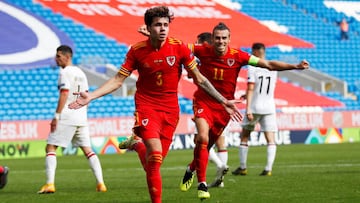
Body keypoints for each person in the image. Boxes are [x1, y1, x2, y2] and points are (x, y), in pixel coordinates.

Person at [68, 6, 241, 203]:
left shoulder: (179, 48)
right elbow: (117, 80)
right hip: (147, 106)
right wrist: (91, 96)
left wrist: (223, 100)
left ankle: (136, 144)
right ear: (148, 28)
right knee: (156, 154)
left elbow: (200, 79)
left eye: (166, 25)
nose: (163, 29)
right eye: (158, 25)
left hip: (170, 110)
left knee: (154, 164)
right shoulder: (137, 51)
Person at [179, 22, 309, 200]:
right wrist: (152, 36)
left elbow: (269, 64)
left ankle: (191, 169)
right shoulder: (202, 50)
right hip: (204, 101)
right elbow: (176, 46)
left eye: (224, 38)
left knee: (207, 145)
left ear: (229, 39)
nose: (220, 41)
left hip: (226, 107)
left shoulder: (239, 56)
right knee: (202, 137)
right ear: (213, 38)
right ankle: (202, 183)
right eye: (217, 38)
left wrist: (295, 66)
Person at [38, 45, 107, 194]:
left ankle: (50, 184)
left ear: (67, 56)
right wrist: (83, 114)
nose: (56, 59)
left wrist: (56, 116)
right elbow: (87, 96)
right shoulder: (81, 72)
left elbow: (64, 94)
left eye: (58, 56)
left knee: (50, 148)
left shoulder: (65, 72)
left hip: (67, 115)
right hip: (81, 117)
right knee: (88, 150)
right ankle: (101, 184)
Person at [232, 42, 278, 176]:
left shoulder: (253, 68)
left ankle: (243, 167)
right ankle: (268, 169)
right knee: (270, 139)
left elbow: (252, 87)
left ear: (256, 52)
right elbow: (264, 88)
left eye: (252, 52)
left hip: (255, 107)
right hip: (269, 107)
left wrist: (248, 109)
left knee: (245, 136)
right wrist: (246, 95)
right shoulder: (273, 67)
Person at [195, 32, 230, 189]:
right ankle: (220, 178)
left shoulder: (204, 57)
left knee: (202, 140)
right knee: (220, 142)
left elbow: (195, 76)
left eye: (198, 42)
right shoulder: (226, 57)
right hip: (225, 106)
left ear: (204, 43)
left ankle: (219, 165)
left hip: (208, 105)